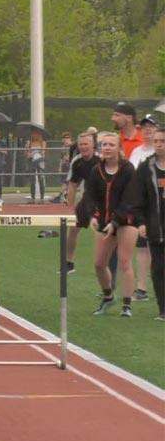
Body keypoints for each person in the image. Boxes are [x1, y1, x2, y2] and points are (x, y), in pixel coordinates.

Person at [87, 132, 138, 317]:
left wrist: (116, 221)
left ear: (119, 148)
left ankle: (127, 305)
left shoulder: (128, 169)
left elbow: (130, 199)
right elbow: (90, 196)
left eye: (111, 144)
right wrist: (93, 215)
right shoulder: (96, 170)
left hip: (126, 220)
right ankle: (108, 296)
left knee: (125, 261)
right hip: (104, 220)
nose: (107, 148)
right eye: (104, 144)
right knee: (99, 263)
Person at [125, 128, 165, 320]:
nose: (159, 144)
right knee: (158, 268)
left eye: (163, 141)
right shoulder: (146, 167)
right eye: (156, 141)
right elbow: (137, 197)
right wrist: (140, 221)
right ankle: (163, 309)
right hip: (155, 225)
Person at [126, 115, 158, 302]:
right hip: (143, 205)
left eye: (151, 127)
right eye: (145, 127)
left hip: (159, 203)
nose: (147, 130)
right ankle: (142, 287)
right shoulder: (137, 152)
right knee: (143, 246)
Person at [62, 132, 99, 275]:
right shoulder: (77, 161)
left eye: (86, 144)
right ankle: (69, 263)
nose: (83, 147)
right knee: (72, 228)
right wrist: (70, 210)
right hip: (87, 199)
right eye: (81, 144)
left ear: (93, 145)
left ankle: (105, 264)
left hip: (103, 200)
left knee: (103, 232)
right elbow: (72, 185)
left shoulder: (101, 160)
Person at [26, 129, 48, 203]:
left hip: (40, 161)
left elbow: (43, 151)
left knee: (41, 179)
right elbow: (27, 154)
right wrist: (28, 151)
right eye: (33, 134)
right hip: (32, 161)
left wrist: (38, 150)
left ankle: (42, 198)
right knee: (32, 180)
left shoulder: (43, 142)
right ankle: (33, 198)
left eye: (36, 134)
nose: (34, 135)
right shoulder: (29, 142)